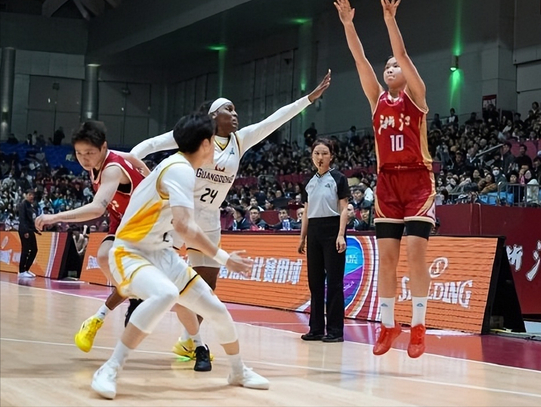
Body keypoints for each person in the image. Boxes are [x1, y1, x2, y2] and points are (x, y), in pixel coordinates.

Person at [129, 73, 331, 368]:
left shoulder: (240, 139)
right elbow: (147, 146)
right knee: (163, 273)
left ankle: (188, 340)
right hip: (180, 211)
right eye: (229, 109)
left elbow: (274, 120)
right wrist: (137, 172)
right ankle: (129, 307)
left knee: (205, 286)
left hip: (210, 216)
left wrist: (308, 99)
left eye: (235, 110)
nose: (235, 114)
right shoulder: (195, 135)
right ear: (214, 115)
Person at [90, 112, 269, 399]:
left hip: (161, 254)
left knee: (216, 310)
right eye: (214, 142)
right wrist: (225, 258)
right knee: (165, 294)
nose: (218, 150)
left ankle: (238, 370)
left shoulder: (181, 167)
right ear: (206, 144)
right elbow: (185, 226)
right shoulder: (179, 169)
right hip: (129, 252)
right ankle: (109, 369)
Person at [335, 0, 435, 359]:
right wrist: (349, 25)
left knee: (415, 254)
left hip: (418, 181)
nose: (390, 68)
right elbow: (360, 59)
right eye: (387, 66)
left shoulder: (417, 97)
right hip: (387, 183)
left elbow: (403, 55)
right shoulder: (376, 99)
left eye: (395, 66)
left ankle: (419, 325)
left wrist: (390, 20)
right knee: (388, 259)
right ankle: (388, 324)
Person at [35, 121, 149, 353]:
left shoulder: (112, 169)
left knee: (110, 257)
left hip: (145, 220)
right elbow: (134, 158)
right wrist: (148, 176)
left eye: (89, 153)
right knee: (104, 256)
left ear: (103, 147)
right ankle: (134, 296)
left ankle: (136, 297)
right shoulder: (99, 161)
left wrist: (56, 217)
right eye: (79, 153)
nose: (84, 159)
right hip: (122, 219)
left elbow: (97, 209)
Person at [297, 138, 350, 343]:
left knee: (334, 282)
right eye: (316, 153)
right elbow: (306, 211)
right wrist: (303, 237)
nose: (320, 157)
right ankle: (316, 328)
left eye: (324, 153)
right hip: (314, 231)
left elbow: (344, 208)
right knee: (315, 282)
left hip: (333, 228)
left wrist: (340, 234)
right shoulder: (308, 182)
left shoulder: (338, 178)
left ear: (331, 156)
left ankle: (335, 330)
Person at [18, 189, 39, 278]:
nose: (32, 196)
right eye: (30, 194)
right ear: (25, 195)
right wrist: (25, 231)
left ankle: (26, 269)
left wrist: (36, 230)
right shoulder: (23, 205)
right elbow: (22, 219)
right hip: (24, 230)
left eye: (32, 195)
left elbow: (30, 220)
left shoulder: (30, 206)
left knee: (34, 249)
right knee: (25, 250)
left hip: (30, 229)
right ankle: (21, 271)